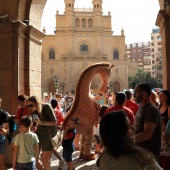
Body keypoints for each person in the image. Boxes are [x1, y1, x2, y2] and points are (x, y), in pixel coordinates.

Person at [97, 110, 163, 170]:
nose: (133, 129)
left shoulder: (103, 160)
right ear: (120, 133)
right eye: (129, 127)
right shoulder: (142, 159)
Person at [27, 96, 57, 170]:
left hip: (48, 134)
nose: (30, 107)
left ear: (37, 103)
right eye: (28, 105)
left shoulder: (46, 107)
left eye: (31, 105)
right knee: (35, 158)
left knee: (44, 159)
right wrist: (27, 132)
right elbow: (34, 123)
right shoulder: (34, 111)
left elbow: (54, 122)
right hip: (39, 133)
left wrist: (41, 122)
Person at [134, 83, 162, 161]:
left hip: (149, 156)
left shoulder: (151, 110)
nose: (134, 95)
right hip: (142, 154)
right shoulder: (142, 108)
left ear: (144, 94)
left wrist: (128, 141)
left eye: (136, 92)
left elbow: (147, 134)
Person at [50, 99, 65, 168]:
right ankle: (49, 159)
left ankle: (58, 159)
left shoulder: (49, 112)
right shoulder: (58, 112)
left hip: (49, 131)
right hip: (56, 131)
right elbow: (62, 120)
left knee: (50, 146)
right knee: (50, 146)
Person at [0, 98, 9, 170]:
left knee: (1, 163)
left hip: (0, 139)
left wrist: (4, 131)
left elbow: (7, 129)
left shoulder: (3, 114)